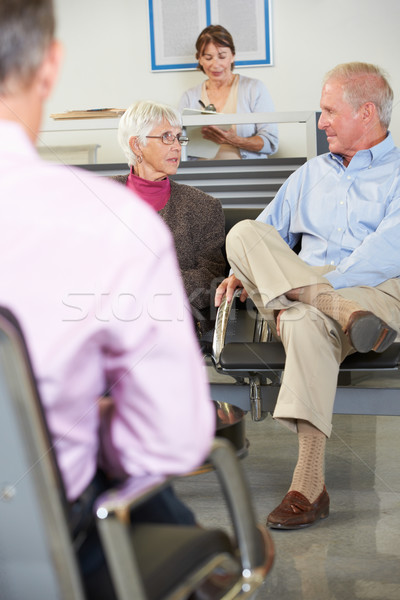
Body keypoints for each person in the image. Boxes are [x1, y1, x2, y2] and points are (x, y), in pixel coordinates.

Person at [0, 0, 215, 596]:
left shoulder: (142, 213)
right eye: (163, 135)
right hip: (42, 541)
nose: (174, 144)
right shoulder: (99, 221)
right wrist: (82, 420)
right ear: (50, 66)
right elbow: (170, 439)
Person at [215, 62, 400, 529]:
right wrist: (242, 271)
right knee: (241, 233)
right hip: (326, 298)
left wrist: (299, 284)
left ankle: (308, 484)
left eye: (328, 112)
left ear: (366, 112)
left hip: (374, 294)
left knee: (298, 317)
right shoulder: (309, 173)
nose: (320, 123)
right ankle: (309, 487)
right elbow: (261, 235)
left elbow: (387, 252)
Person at [115, 100, 226, 334]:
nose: (177, 146)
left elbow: (211, 278)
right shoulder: (98, 197)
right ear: (137, 145)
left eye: (178, 137)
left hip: (174, 317)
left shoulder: (203, 207)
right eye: (166, 137)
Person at [178, 24, 278, 160]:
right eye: (208, 58)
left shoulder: (254, 88)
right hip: (199, 175)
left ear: (232, 56)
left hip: (247, 173)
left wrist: (234, 140)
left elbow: (271, 142)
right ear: (200, 59)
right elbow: (177, 141)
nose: (215, 64)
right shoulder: (189, 96)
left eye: (222, 56)